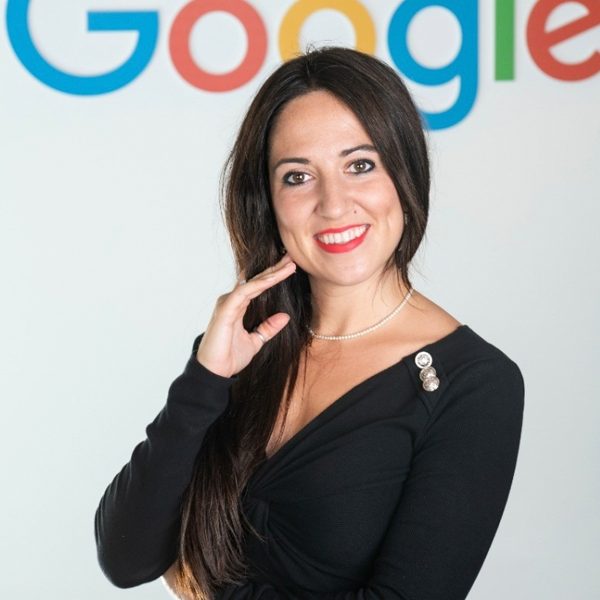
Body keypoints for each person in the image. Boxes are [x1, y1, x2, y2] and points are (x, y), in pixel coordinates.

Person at [94, 47, 525, 600]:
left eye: (360, 165)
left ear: (405, 173)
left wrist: (204, 586)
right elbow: (126, 557)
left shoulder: (475, 384)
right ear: (268, 201)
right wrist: (203, 381)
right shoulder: (244, 345)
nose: (334, 204)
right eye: (298, 177)